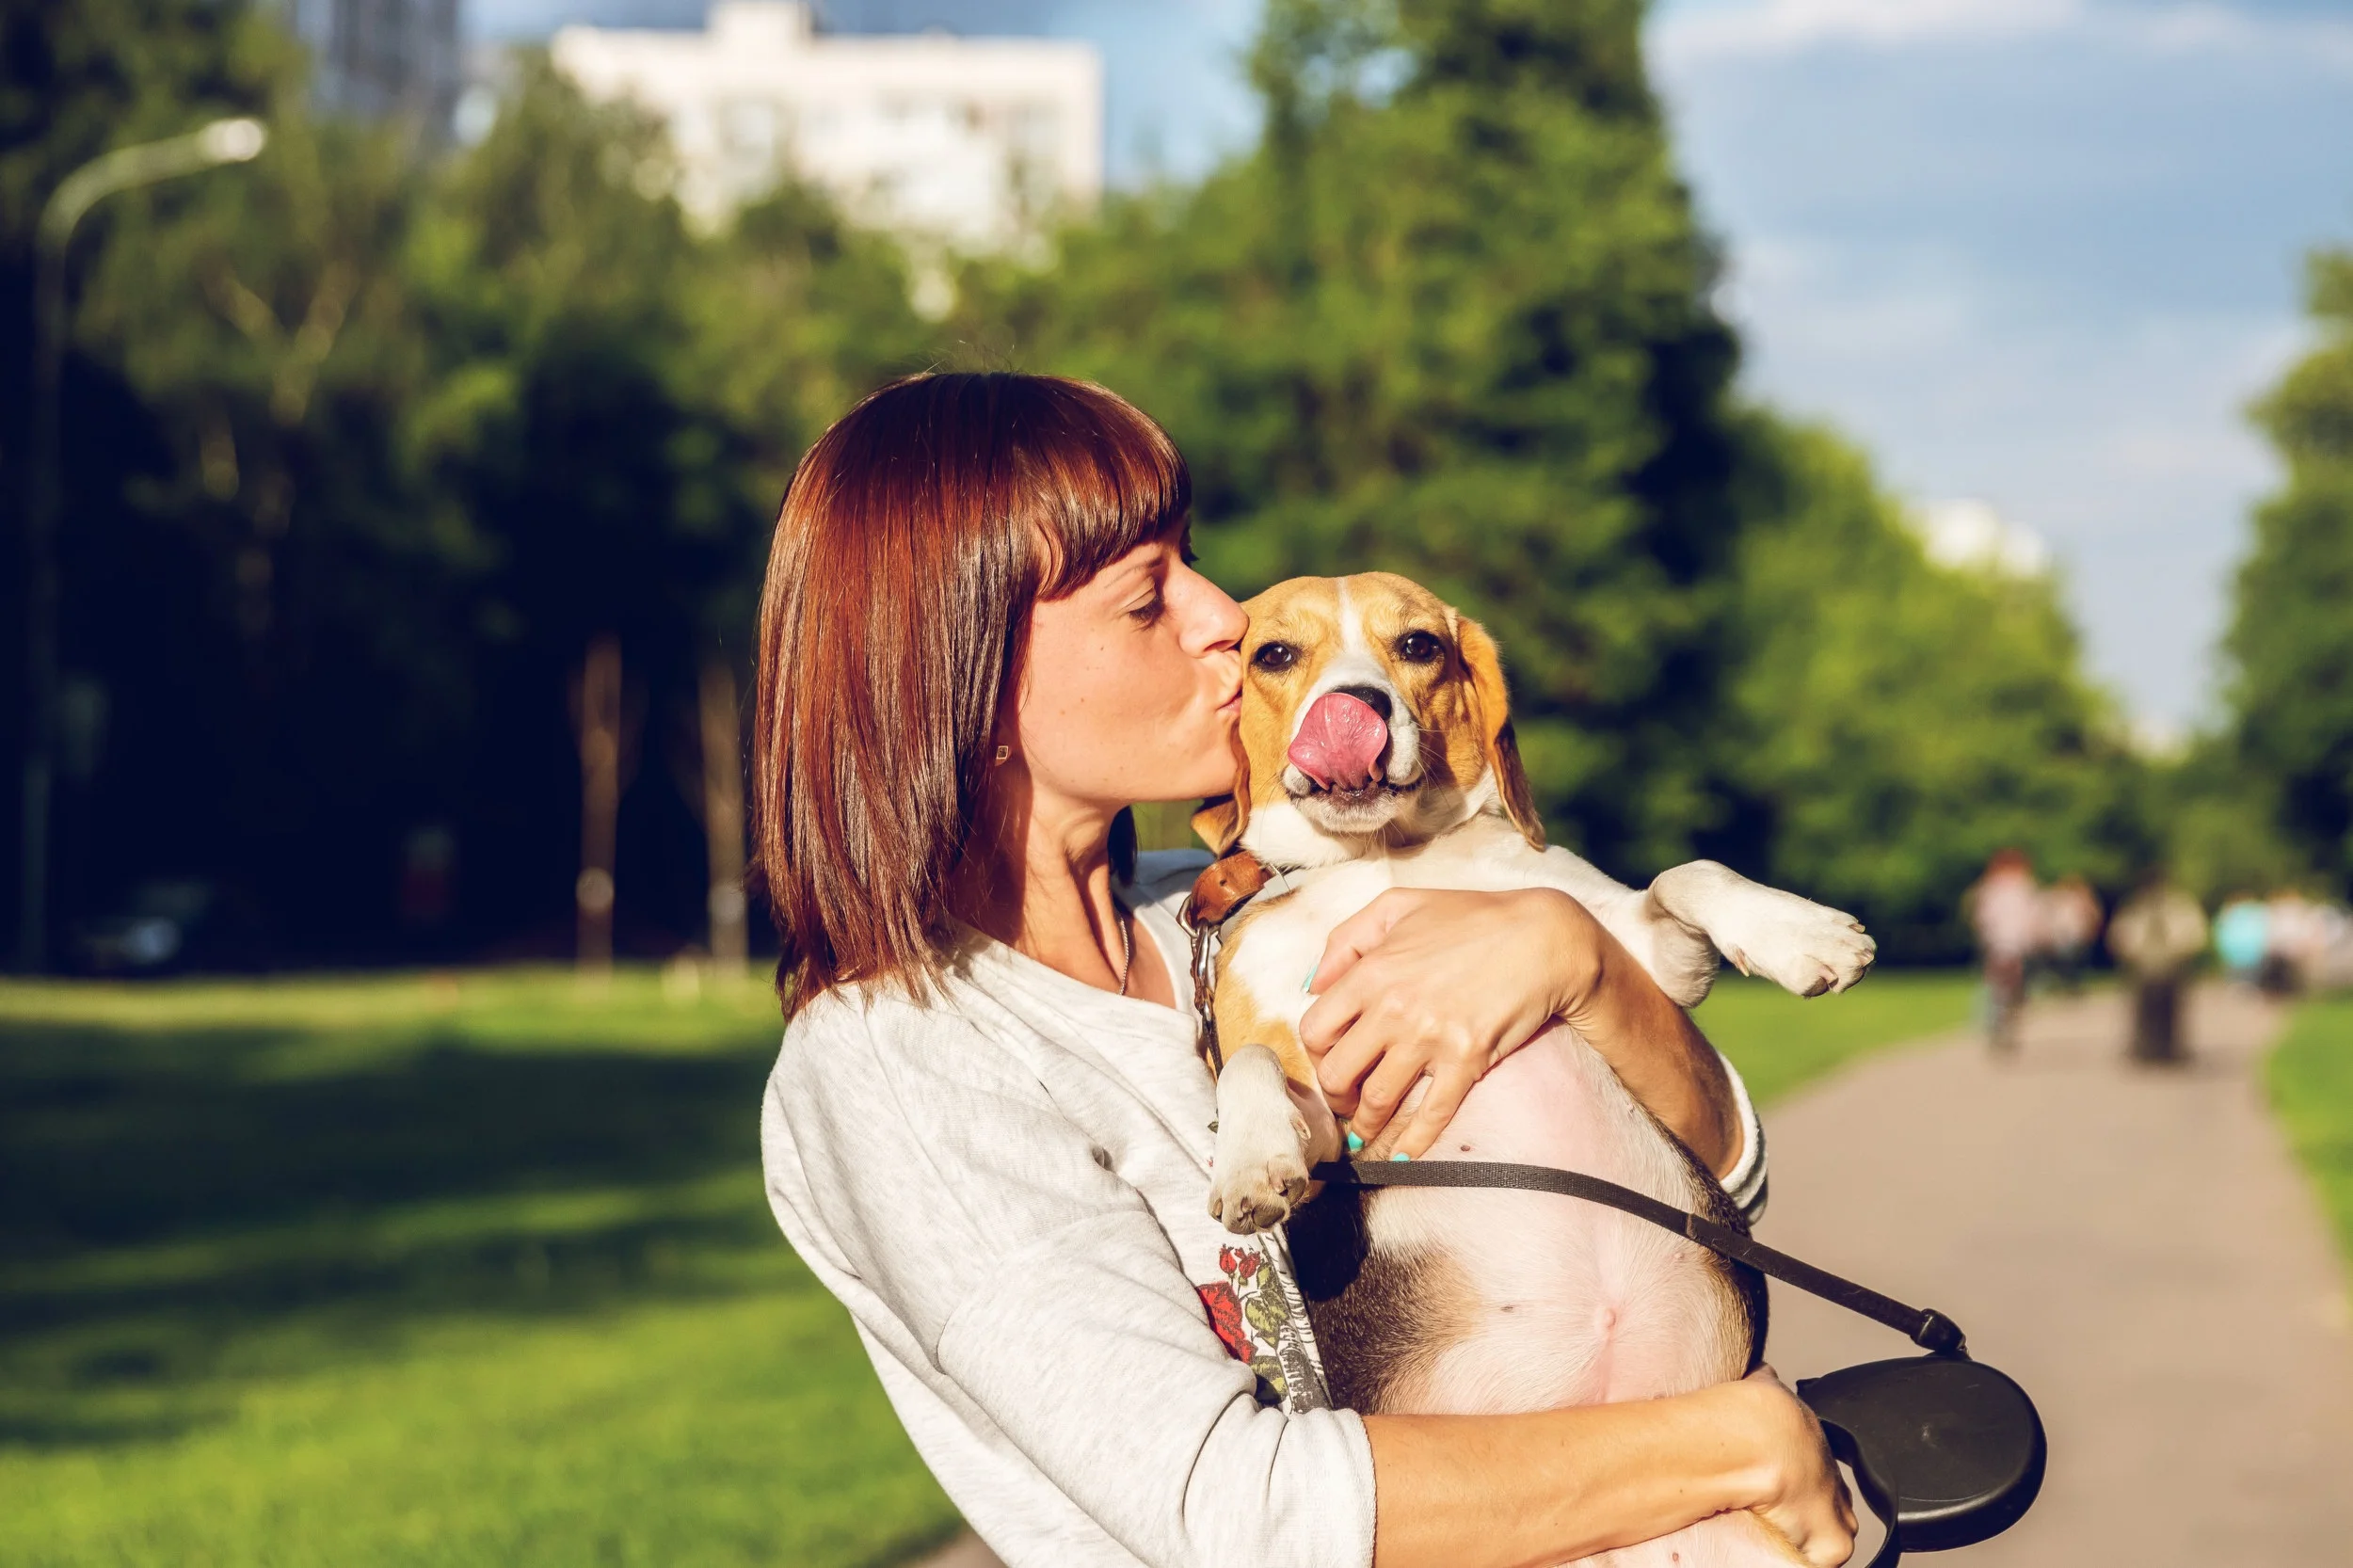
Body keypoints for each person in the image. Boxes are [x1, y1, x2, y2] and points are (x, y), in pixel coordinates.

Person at [750, 375, 1853, 1568]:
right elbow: (1233, 1517)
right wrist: (1725, 1445)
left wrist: (1575, 957)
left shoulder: (1236, 907)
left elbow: (1720, 1191)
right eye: (1144, 596)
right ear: (967, 673)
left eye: (1194, 561)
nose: (1221, 615)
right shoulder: (902, 1057)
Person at [2106, 872, 2207, 1066]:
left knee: (2172, 1010)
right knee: (2143, 1010)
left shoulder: (2178, 906)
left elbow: (2193, 932)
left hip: (2172, 964)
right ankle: (2145, 1047)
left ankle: (2170, 1048)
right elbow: (2121, 934)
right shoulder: (2137, 907)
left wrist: (2181, 948)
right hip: (2144, 965)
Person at [1965, 849, 2041, 1054]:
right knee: (2009, 988)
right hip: (2010, 944)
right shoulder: (2021, 887)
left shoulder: (1993, 888)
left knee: (2000, 986)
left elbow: (1981, 917)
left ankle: (1996, 1022)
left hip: (2001, 943)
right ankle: (1999, 1023)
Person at [2037, 875, 2104, 993]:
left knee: (2072, 960)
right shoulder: (2057, 898)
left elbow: (2093, 915)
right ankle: (2067, 983)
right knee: (2067, 960)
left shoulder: (2079, 899)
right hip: (2061, 935)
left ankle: (2070, 984)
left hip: (2074, 935)